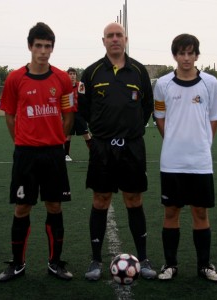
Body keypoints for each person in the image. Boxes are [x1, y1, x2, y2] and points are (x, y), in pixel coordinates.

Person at [0, 22, 75, 282]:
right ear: (30, 47)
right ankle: (17, 264)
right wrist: (20, 141)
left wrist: (59, 139)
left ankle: (55, 263)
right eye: (39, 45)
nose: (43, 51)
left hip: (53, 154)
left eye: (48, 46)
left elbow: (68, 115)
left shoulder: (63, 79)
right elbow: (9, 115)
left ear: (52, 48)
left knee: (54, 206)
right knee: (22, 207)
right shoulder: (15, 78)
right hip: (25, 154)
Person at [78, 22, 156, 281]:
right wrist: (100, 130)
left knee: (134, 199)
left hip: (132, 146)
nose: (114, 39)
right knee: (100, 200)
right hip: (102, 147)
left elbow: (146, 107)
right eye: (110, 36)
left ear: (126, 39)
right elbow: (84, 109)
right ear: (103, 41)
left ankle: (143, 259)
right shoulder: (91, 73)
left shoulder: (139, 71)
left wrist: (130, 128)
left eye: (118, 35)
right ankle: (95, 260)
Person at [154, 33, 217, 282]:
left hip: (200, 162)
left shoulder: (210, 83)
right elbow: (160, 118)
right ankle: (170, 264)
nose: (186, 58)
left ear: (197, 55)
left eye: (190, 53)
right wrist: (173, 140)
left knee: (200, 213)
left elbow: (215, 117)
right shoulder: (163, 84)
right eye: (181, 53)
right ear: (174, 56)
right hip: (172, 161)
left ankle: (204, 266)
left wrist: (204, 144)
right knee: (171, 212)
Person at [64, 67, 91, 161]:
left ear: (76, 75)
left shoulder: (80, 85)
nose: (72, 76)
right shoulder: (64, 87)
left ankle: (93, 154)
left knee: (86, 134)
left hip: (80, 113)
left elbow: (86, 98)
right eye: (70, 74)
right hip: (69, 114)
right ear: (67, 75)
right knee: (68, 135)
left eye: (74, 74)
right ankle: (66, 155)